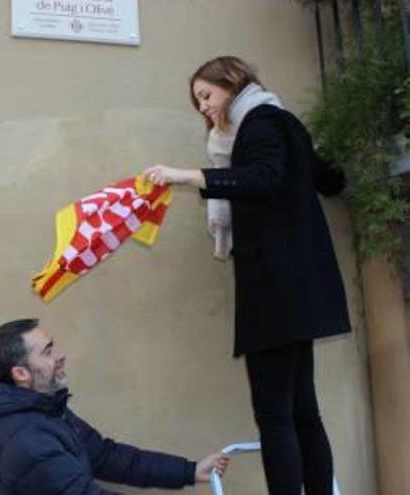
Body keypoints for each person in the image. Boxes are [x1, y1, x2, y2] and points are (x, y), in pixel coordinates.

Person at [142, 56, 350, 495]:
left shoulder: (258, 125)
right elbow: (325, 177)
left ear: (232, 83)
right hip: (301, 285)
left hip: (275, 287)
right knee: (302, 411)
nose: (203, 107)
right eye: (197, 100)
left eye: (206, 95)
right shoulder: (283, 122)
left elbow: (263, 178)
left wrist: (187, 176)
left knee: (276, 415)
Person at [0, 318, 229, 494]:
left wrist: (189, 471)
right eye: (47, 352)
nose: (60, 355)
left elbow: (105, 456)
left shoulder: (44, 409)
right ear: (21, 374)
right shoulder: (25, 439)